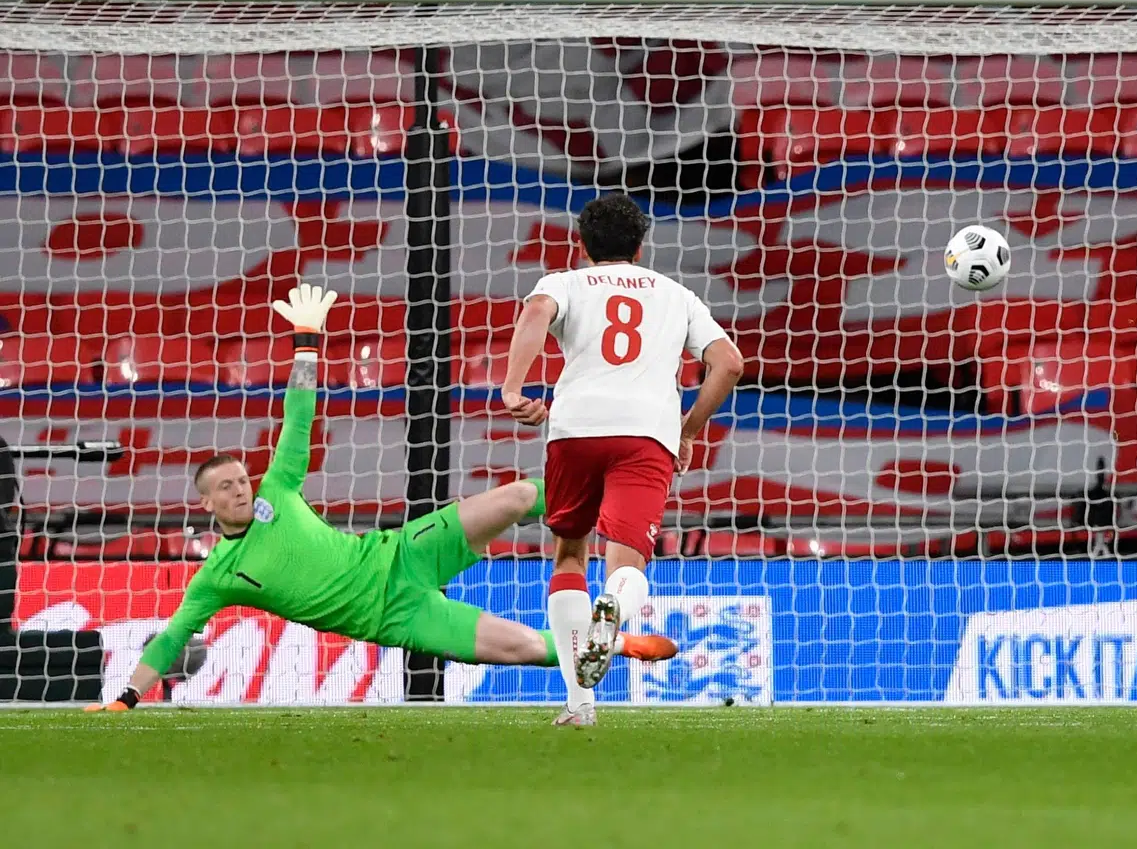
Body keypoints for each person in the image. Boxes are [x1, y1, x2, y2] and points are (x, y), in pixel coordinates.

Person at [87, 283, 675, 711]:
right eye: (226, 487)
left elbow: (298, 419)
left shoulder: (277, 488)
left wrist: (306, 344)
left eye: (241, 479)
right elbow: (173, 636)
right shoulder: (218, 574)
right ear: (207, 505)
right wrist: (127, 697)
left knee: (520, 495)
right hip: (397, 617)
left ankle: (621, 504)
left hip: (401, 553)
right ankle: (618, 643)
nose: (240, 488)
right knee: (522, 647)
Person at [502, 194, 744, 727]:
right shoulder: (676, 294)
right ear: (640, 248)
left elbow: (535, 312)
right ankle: (613, 604)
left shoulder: (564, 283)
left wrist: (513, 387)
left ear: (583, 245)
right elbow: (729, 363)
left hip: (575, 430)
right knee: (626, 564)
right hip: (645, 434)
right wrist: (687, 431)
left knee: (570, 555)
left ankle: (579, 705)